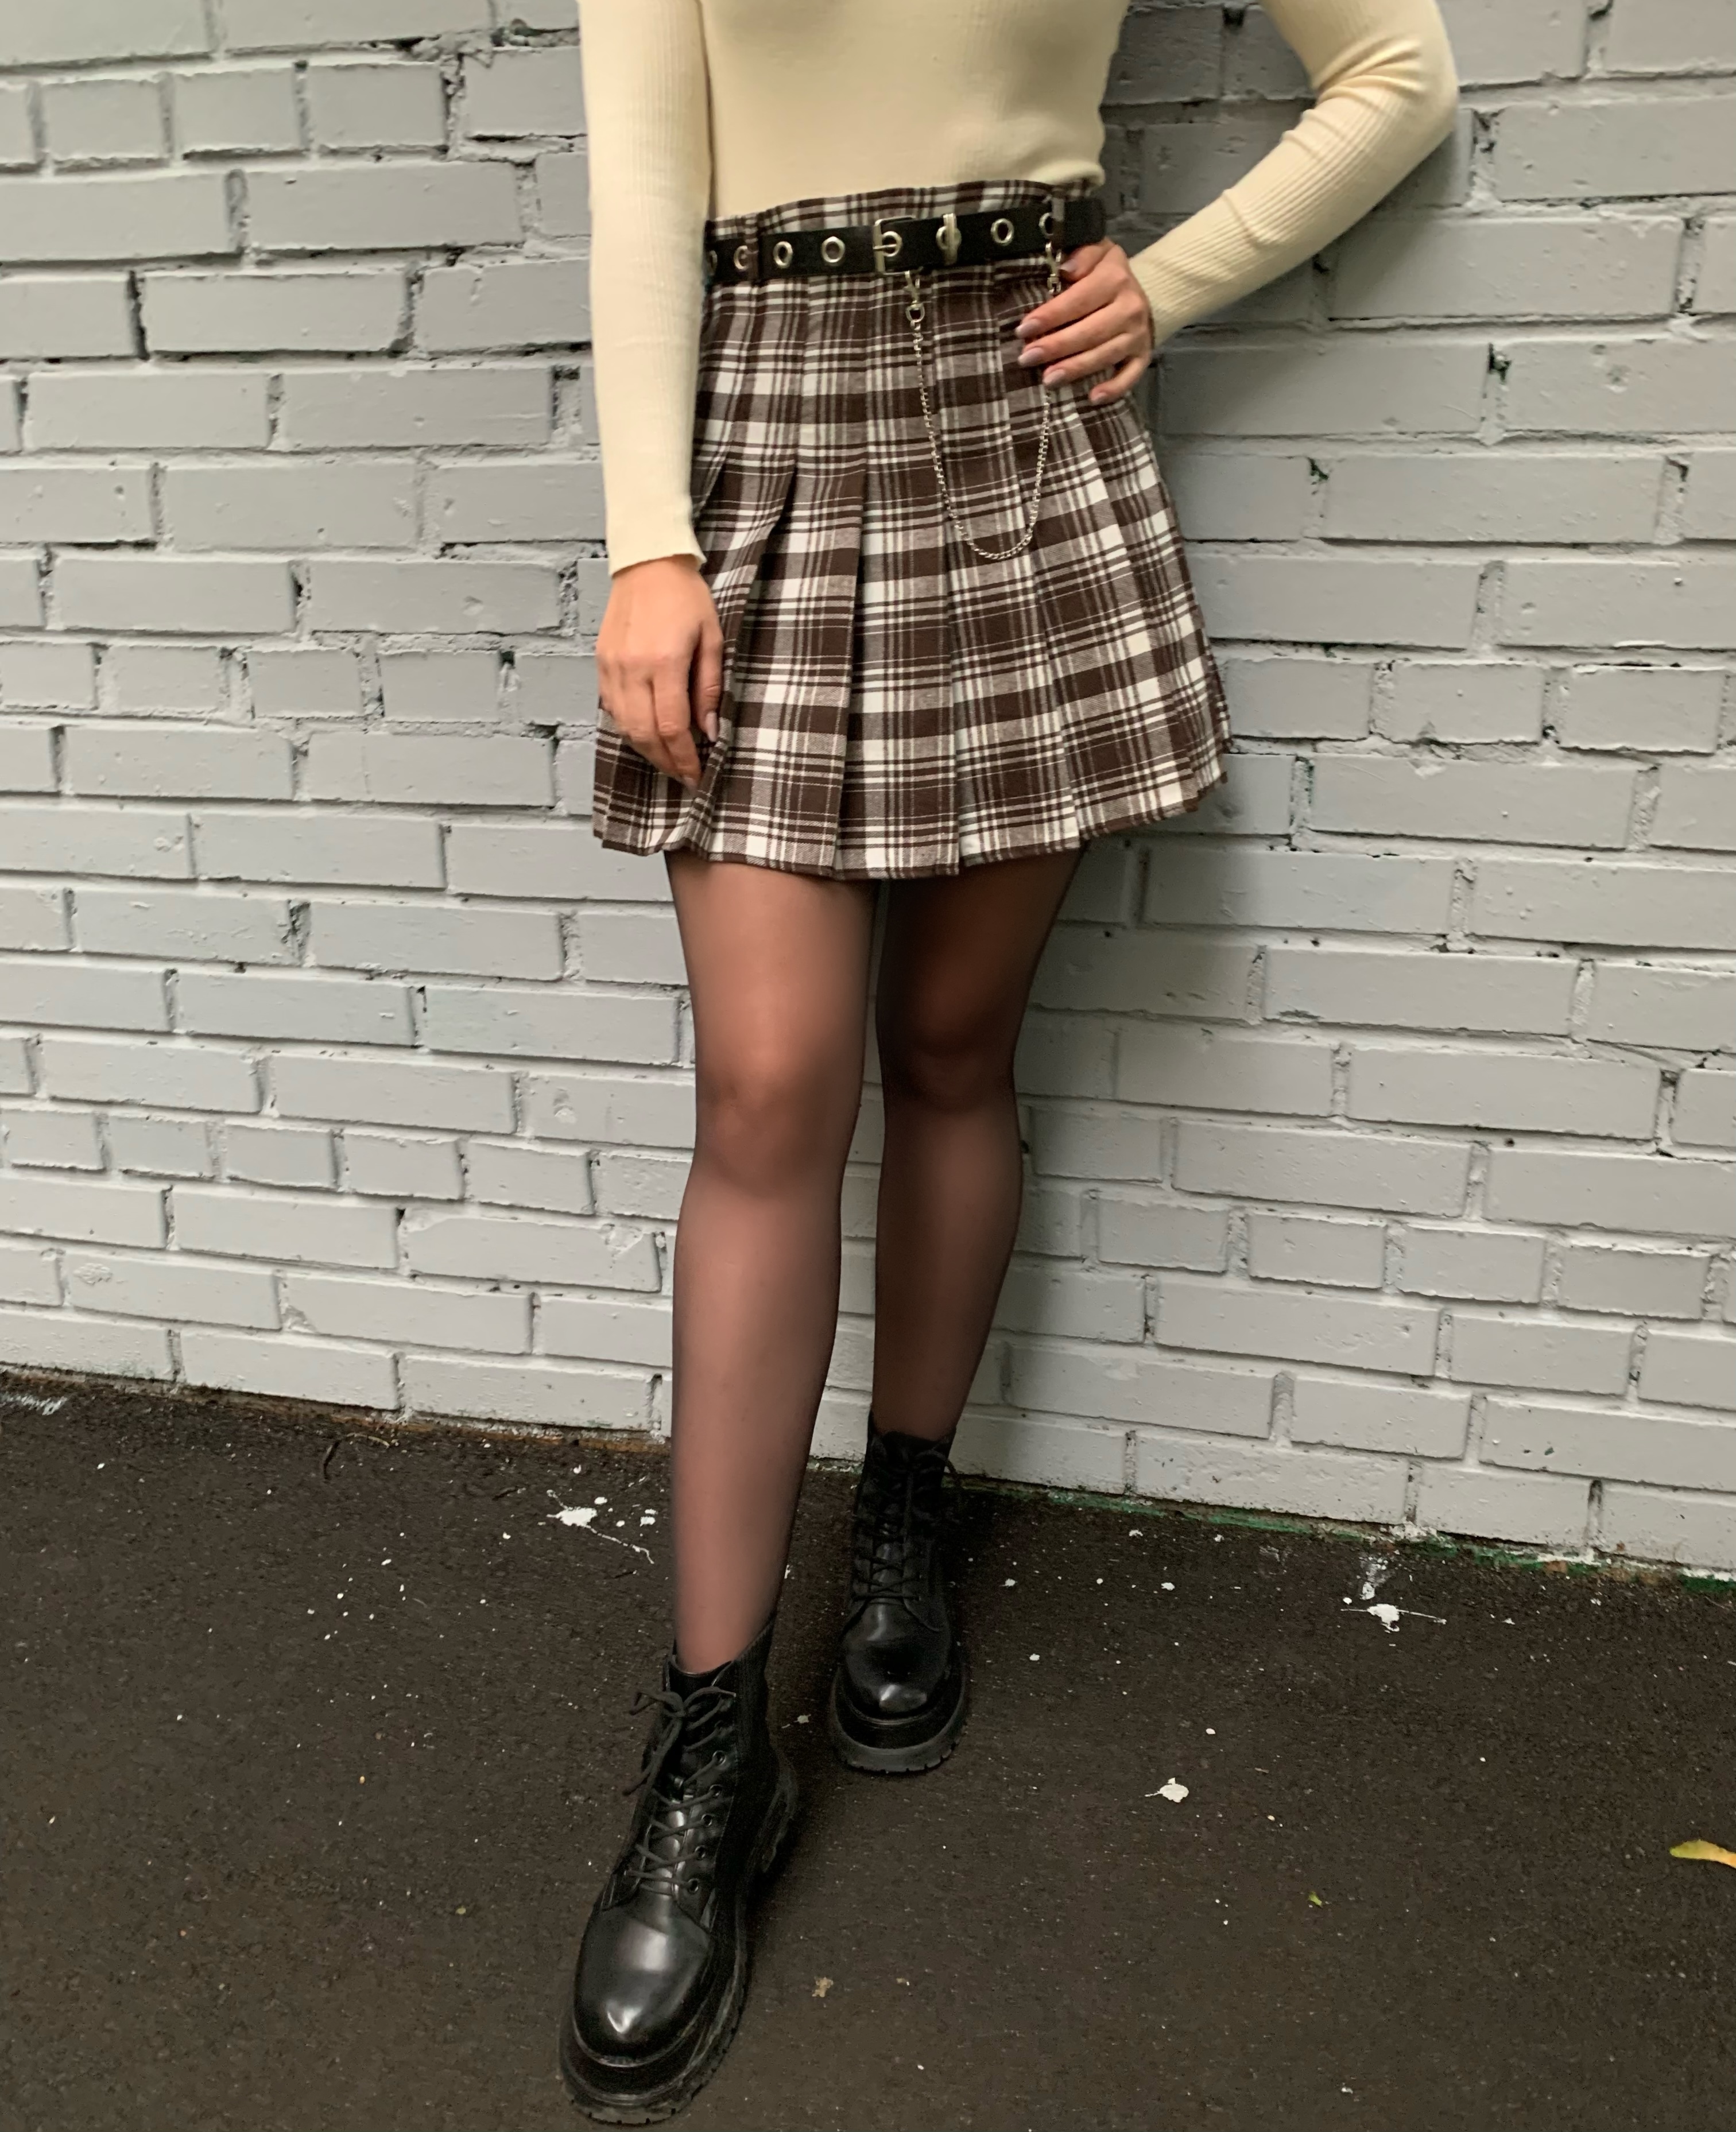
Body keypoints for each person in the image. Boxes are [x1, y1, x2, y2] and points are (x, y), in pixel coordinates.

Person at [560, 1, 1458, 2117]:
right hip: (767, 425)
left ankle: (904, 1514)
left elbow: (1399, 75)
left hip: (1015, 416)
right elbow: (643, 177)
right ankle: (713, 1743)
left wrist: (1172, 279)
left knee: (956, 1041)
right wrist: (646, 533)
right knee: (768, 1090)